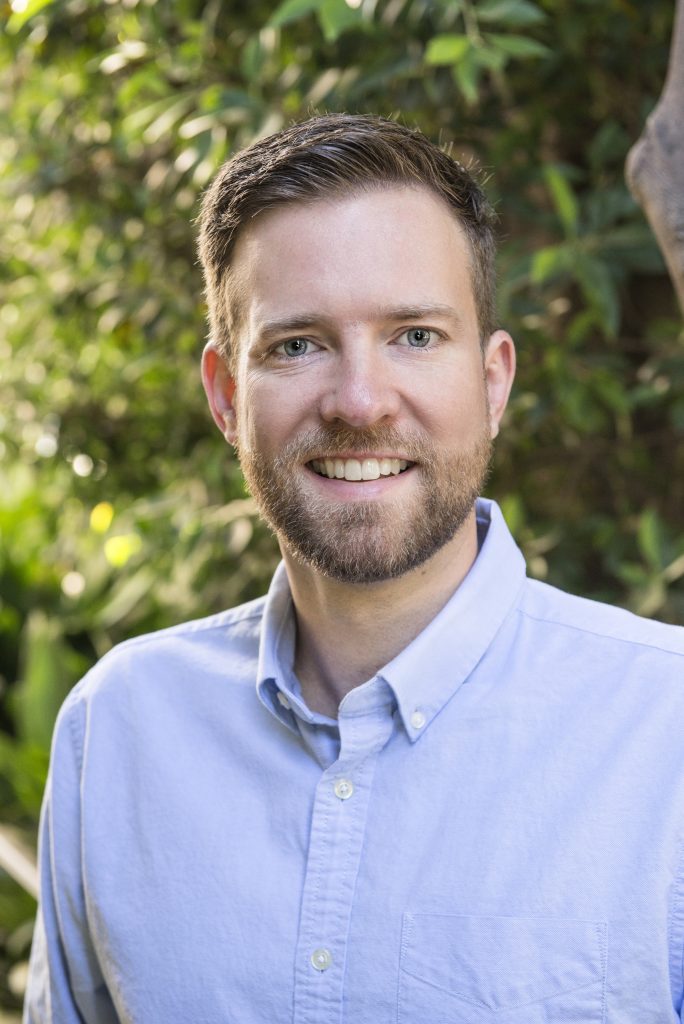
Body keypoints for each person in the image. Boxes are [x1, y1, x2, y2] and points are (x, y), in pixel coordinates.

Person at [24, 113, 684, 1023]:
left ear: (493, 382)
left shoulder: (665, 732)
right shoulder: (118, 732)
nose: (360, 403)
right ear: (225, 396)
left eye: (414, 334)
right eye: (297, 345)